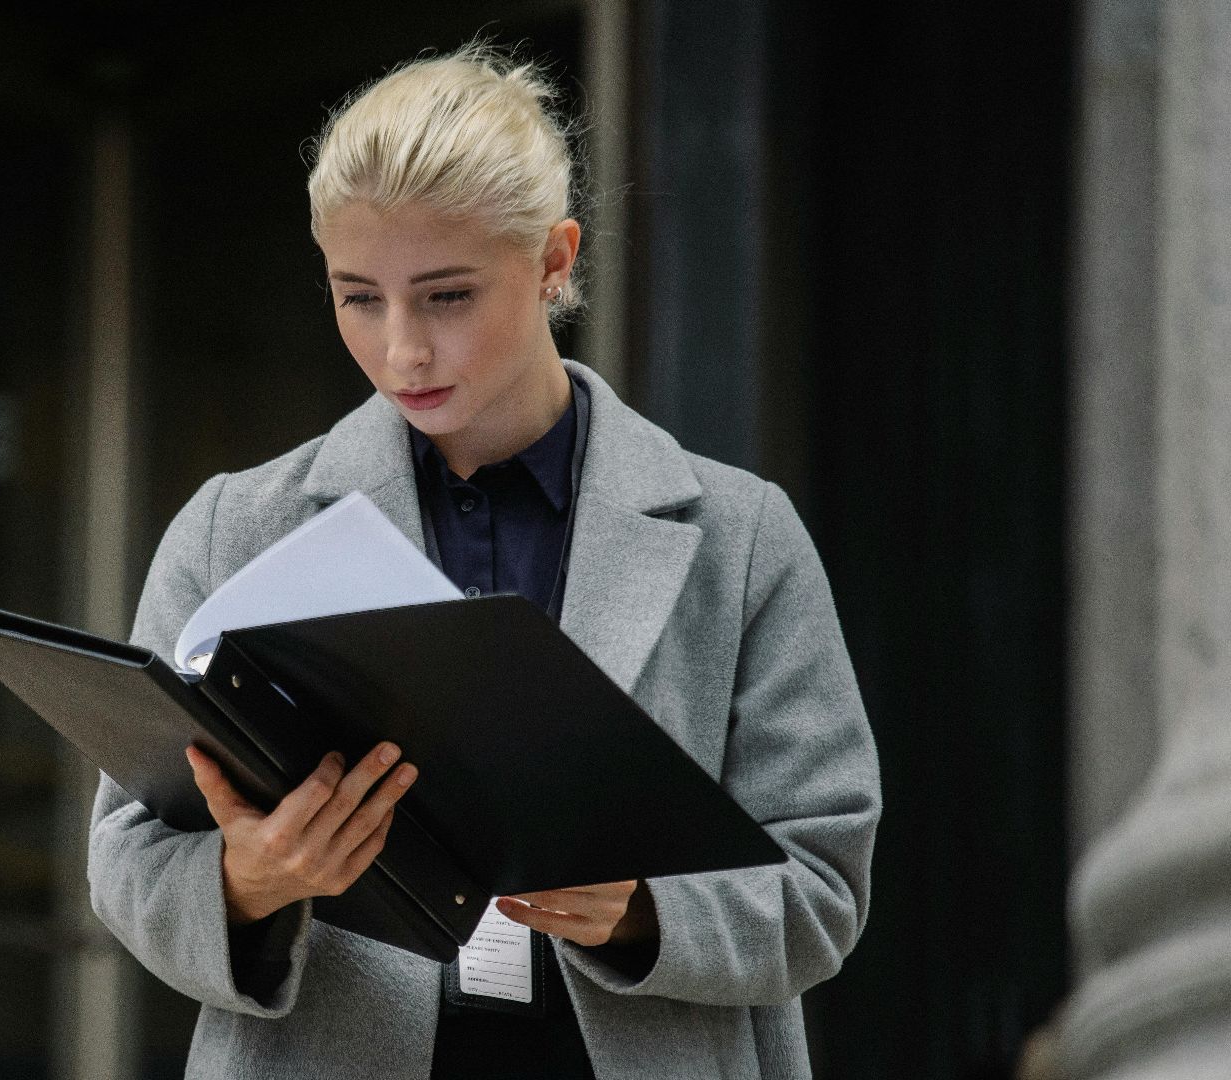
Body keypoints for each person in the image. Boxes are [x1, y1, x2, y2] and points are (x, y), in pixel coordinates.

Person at [88, 42, 880, 1080]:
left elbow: (823, 886)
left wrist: (644, 912)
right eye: (357, 296)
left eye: (446, 296)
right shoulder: (235, 525)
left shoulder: (740, 538)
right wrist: (248, 880)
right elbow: (129, 855)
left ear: (555, 261)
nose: (401, 349)